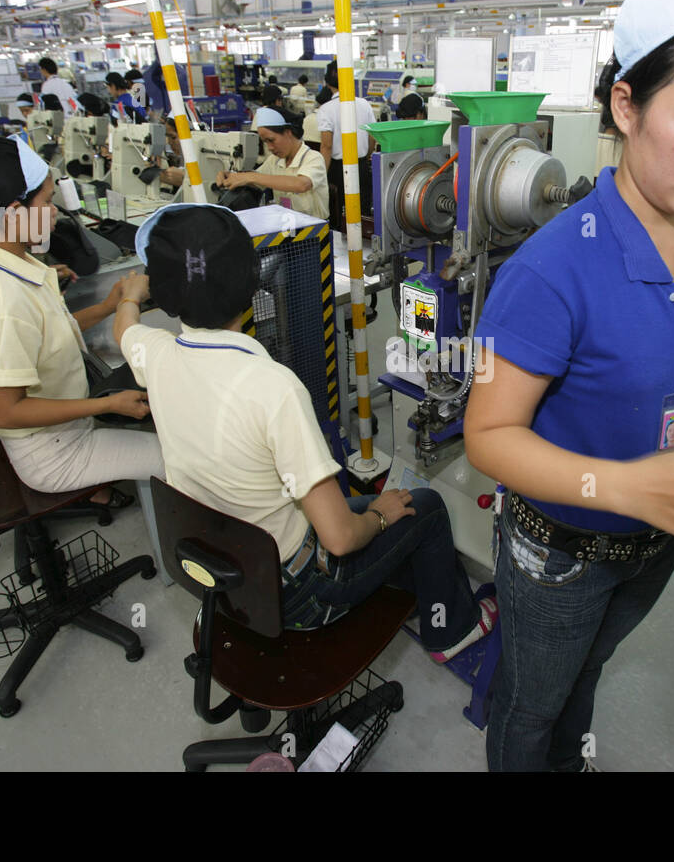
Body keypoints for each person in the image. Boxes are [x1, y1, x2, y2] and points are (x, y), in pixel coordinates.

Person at [463, 0, 674, 772]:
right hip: (558, 556)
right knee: (530, 704)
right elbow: (490, 437)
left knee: (585, 677)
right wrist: (633, 485)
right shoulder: (549, 271)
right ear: (626, 105)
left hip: (655, 547)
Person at [113, 204, 496, 656]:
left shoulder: (154, 355)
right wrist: (379, 517)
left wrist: (130, 296)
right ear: (252, 285)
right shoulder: (273, 388)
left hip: (230, 569)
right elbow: (339, 539)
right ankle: (450, 633)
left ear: (168, 296)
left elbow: (125, 329)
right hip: (300, 594)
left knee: (377, 506)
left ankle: (410, 589)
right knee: (423, 507)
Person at [0, 136, 163, 500]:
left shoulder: (11, 259)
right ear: (14, 211)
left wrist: (107, 306)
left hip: (66, 425)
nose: (56, 211)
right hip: (53, 453)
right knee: (177, 462)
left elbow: (46, 334)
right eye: (47, 202)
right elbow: (6, 412)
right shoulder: (1, 301)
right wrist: (107, 404)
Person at [218, 107, 328, 220]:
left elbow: (301, 184)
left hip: (314, 229)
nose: (269, 147)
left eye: (271, 140)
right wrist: (231, 176)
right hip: (287, 226)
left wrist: (250, 177)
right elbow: (256, 181)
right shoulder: (274, 160)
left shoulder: (313, 158)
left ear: (288, 132)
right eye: (265, 142)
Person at [317, 63, 376, 229]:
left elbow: (326, 146)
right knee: (362, 210)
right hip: (362, 166)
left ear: (328, 83)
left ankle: (344, 249)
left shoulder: (326, 110)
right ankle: (364, 246)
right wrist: (366, 155)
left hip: (338, 170)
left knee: (340, 213)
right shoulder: (364, 105)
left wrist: (321, 176)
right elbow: (372, 137)